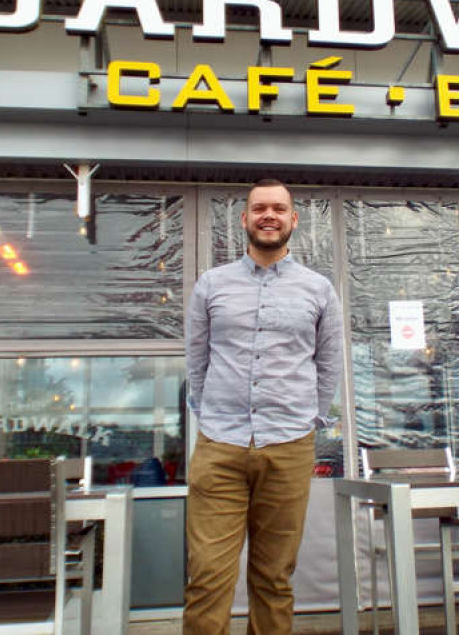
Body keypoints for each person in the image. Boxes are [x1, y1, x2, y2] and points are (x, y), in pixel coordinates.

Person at [183, 179, 343, 635]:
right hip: (220, 446)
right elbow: (197, 362)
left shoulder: (319, 290)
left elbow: (327, 365)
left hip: (289, 446)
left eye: (278, 208)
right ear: (244, 219)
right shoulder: (211, 285)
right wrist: (211, 414)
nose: (267, 215)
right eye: (258, 209)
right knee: (208, 577)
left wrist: (307, 420)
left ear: (294, 219)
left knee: (274, 579)